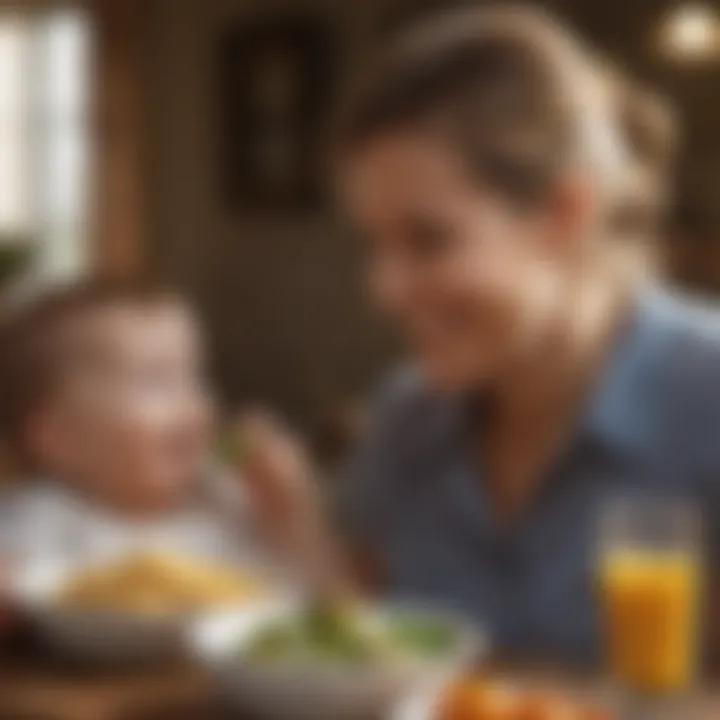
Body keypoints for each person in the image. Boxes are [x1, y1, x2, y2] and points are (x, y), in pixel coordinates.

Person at [243, 6, 720, 664]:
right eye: (375, 244)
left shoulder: (705, 395)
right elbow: (375, 651)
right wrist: (298, 526)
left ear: (565, 213)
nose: (384, 290)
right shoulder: (407, 418)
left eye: (429, 241)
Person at [0, 280, 306, 589]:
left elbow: (322, 605)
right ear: (60, 437)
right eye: (155, 380)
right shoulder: (36, 526)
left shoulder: (233, 501)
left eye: (195, 376)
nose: (190, 401)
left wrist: (292, 512)